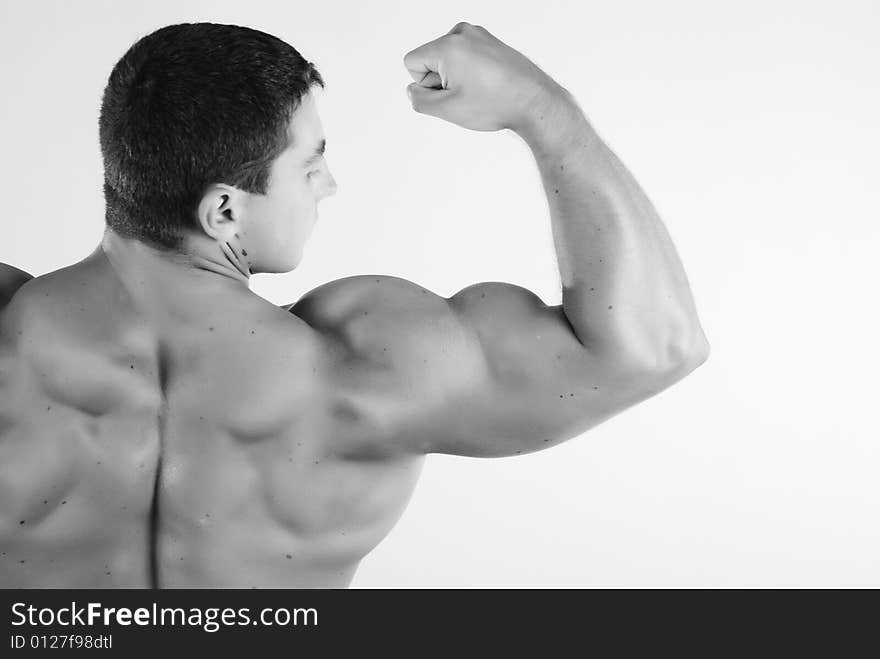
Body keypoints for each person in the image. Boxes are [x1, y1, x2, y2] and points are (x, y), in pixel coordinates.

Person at [0, 21, 709, 588]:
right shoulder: (362, 361)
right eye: (311, 164)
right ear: (223, 210)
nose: (328, 185)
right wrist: (542, 110)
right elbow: (655, 344)